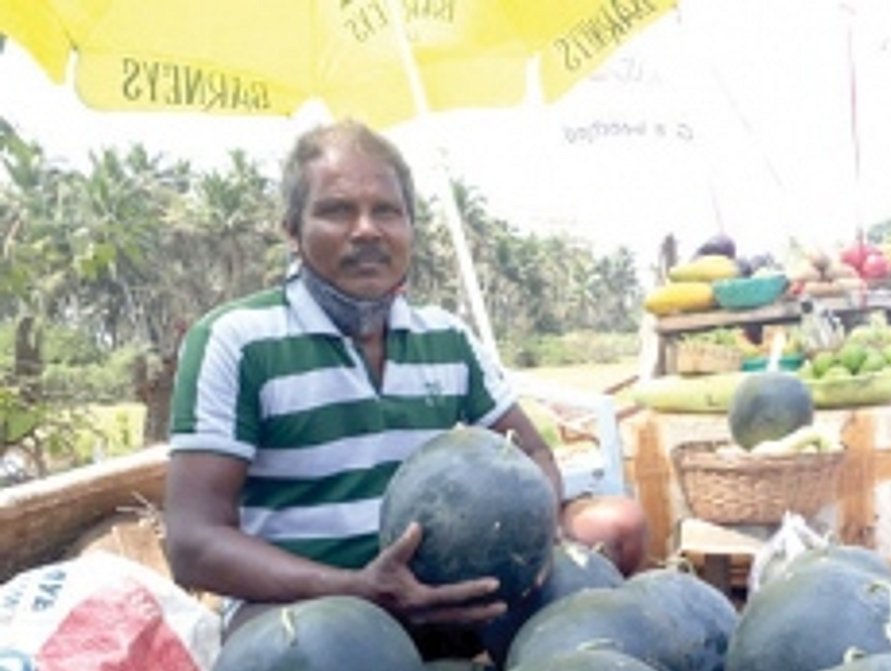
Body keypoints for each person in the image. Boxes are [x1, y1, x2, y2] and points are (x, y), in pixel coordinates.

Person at [165, 120, 648, 643]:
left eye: (387, 212)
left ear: (410, 229)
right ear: (291, 230)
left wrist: (532, 538)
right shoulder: (235, 340)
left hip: (446, 595)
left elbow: (532, 455)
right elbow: (192, 544)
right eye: (336, 210)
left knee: (615, 531)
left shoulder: (446, 336)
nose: (367, 230)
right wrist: (355, 588)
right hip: (304, 609)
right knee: (331, 659)